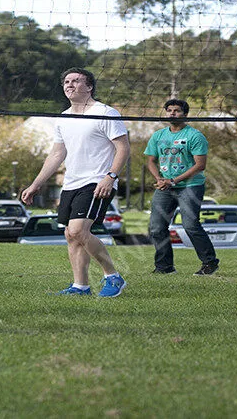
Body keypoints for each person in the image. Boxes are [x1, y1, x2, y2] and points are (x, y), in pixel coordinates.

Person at [21, 68, 130, 298]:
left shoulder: (106, 112)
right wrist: (35, 184)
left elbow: (123, 147)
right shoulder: (63, 117)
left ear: (89, 87)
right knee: (70, 235)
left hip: (97, 180)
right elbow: (56, 155)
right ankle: (80, 286)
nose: (69, 85)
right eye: (66, 81)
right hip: (71, 183)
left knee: (79, 230)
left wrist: (111, 176)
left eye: (76, 81)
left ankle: (112, 276)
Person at [144, 99, 219, 275]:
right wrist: (160, 179)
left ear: (185, 114)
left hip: (190, 186)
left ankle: (210, 263)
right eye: (169, 110)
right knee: (156, 227)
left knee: (190, 225)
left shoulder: (194, 136)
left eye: (176, 111)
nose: (172, 113)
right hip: (165, 187)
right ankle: (165, 267)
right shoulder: (158, 135)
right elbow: (151, 161)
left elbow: (200, 165)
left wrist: (174, 181)